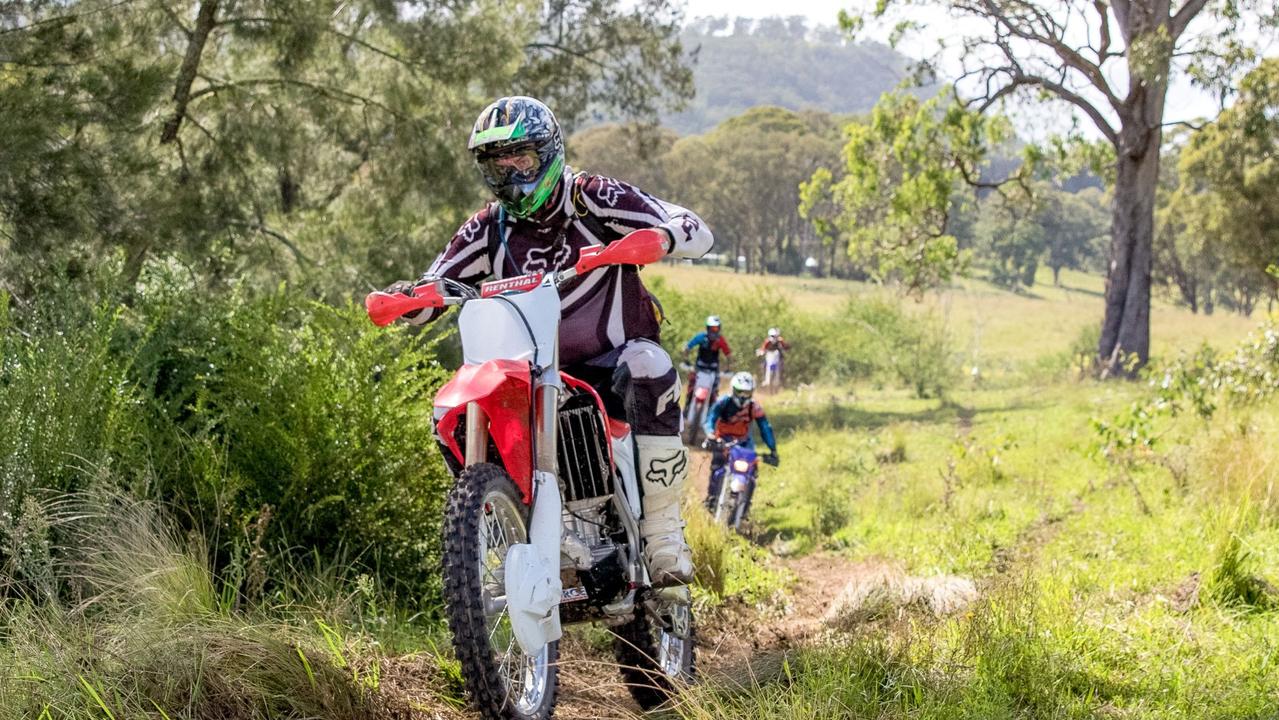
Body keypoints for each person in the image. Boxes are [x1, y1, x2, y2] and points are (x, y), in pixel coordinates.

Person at [378, 96, 713, 584]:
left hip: (609, 363)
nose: (511, 175)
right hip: (529, 370)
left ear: (550, 152)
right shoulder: (488, 226)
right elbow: (438, 283)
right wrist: (407, 299)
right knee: (449, 408)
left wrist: (660, 238)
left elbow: (691, 226)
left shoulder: (591, 196)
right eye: (497, 164)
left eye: (522, 160)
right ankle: (497, 528)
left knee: (649, 365)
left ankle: (663, 533)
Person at [702, 372, 778, 512]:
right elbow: (710, 419)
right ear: (733, 389)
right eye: (740, 392)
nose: (743, 396)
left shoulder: (754, 407)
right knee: (717, 466)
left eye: (747, 392)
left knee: (752, 470)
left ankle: (745, 506)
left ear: (752, 392)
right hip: (723, 439)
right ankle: (711, 497)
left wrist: (773, 449)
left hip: (744, 442)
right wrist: (711, 435)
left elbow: (765, 427)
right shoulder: (723, 402)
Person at [683, 316, 731, 406]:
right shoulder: (701, 337)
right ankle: (687, 406)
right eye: (712, 328)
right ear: (707, 328)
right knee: (691, 386)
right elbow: (688, 347)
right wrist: (686, 360)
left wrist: (728, 369)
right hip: (699, 368)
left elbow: (728, 354)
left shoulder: (720, 340)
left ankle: (712, 410)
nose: (714, 331)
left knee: (714, 391)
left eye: (716, 328)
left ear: (719, 329)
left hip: (713, 370)